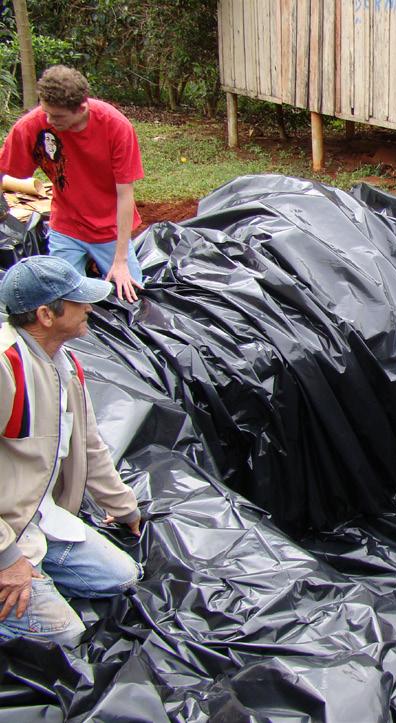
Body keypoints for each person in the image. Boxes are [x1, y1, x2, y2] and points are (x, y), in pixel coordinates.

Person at [0, 255, 142, 646]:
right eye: (78, 301)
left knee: (123, 577)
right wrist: (8, 560)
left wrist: (124, 505)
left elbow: (90, 444)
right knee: (65, 635)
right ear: (46, 315)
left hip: (34, 517)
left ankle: (37, 567)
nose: (89, 309)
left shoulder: (62, 363)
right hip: (5, 530)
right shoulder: (6, 367)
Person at [0, 65, 145, 302]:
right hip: (66, 227)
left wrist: (120, 261)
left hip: (109, 230)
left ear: (81, 109)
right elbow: (2, 168)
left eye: (57, 117)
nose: (48, 120)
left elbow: (125, 195)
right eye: (45, 112)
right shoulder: (34, 125)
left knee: (132, 297)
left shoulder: (115, 127)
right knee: (62, 302)